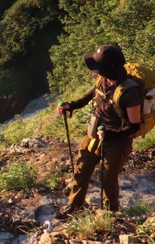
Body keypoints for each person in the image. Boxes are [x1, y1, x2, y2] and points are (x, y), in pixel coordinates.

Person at [56, 44, 142, 217]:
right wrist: (72, 105)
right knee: (81, 168)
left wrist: (111, 135)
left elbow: (135, 126)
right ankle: (74, 205)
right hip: (95, 132)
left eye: (97, 67)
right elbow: (93, 95)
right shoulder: (102, 79)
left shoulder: (129, 92)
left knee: (108, 179)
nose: (94, 70)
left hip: (117, 141)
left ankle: (109, 213)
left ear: (108, 69)